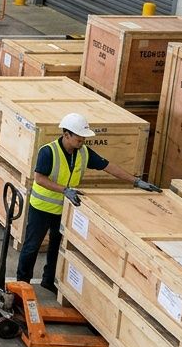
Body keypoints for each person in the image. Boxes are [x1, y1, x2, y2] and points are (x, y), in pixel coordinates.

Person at [16, 113, 162, 292]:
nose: (82, 142)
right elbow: (39, 179)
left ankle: (49, 280)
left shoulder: (83, 152)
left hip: (64, 209)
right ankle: (22, 285)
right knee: (32, 247)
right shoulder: (48, 152)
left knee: (56, 246)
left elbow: (108, 166)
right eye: (79, 138)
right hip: (42, 208)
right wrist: (64, 190)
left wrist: (136, 181)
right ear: (66, 135)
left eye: (83, 138)